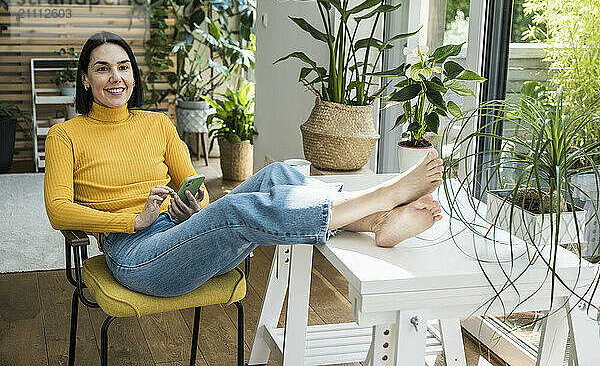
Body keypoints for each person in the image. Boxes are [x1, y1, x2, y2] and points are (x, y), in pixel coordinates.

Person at [44, 32, 443, 298]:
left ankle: (377, 222)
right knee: (236, 207)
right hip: (136, 254)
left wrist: (193, 204)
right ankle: (383, 196)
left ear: (133, 73)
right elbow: (58, 211)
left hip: (185, 233)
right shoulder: (66, 135)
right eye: (103, 68)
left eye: (123, 66)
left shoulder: (156, 124)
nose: (116, 77)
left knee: (280, 173)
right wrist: (133, 222)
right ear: (84, 79)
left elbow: (193, 184)